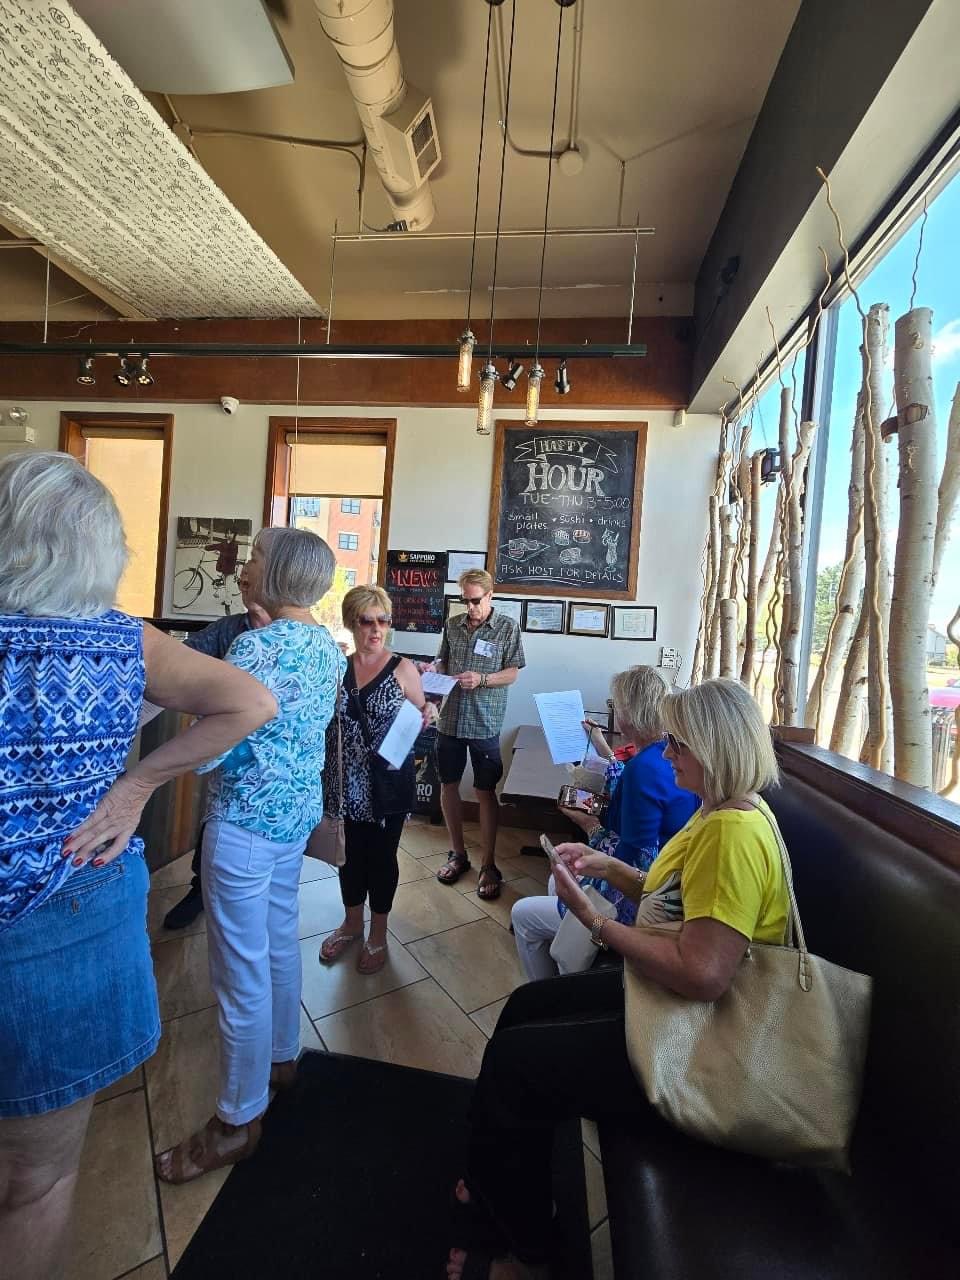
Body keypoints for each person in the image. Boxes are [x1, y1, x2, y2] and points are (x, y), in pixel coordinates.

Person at [0, 451, 277, 1280]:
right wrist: (136, 783)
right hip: (67, 927)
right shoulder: (123, 644)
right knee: (33, 1182)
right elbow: (251, 702)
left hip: (58, 931)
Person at [446, 678, 788, 1280]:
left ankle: (530, 1252)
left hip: (698, 1038)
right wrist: (609, 868)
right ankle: (493, 1172)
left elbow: (705, 976)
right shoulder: (726, 809)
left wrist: (595, 922)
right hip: (672, 999)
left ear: (714, 748)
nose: (668, 751)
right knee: (525, 1008)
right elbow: (675, 898)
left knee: (519, 1063)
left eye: (679, 742)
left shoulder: (731, 836)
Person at [155, 527, 345, 1185]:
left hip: (242, 825)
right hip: (293, 818)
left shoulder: (254, 646)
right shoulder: (329, 646)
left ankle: (237, 1119)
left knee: (239, 974)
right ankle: (283, 1058)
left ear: (281, 570)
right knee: (278, 941)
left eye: (257, 557)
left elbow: (215, 746)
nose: (246, 566)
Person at [511, 666, 699, 981]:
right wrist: (603, 748)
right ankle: (565, 968)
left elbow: (635, 864)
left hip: (639, 900)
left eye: (617, 707)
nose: (616, 714)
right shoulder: (664, 755)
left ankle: (546, 993)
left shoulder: (643, 769)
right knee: (555, 881)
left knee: (523, 914)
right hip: (666, 880)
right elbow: (635, 790)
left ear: (629, 715)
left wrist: (591, 827)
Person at [319, 586, 433, 974]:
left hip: (387, 785)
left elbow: (422, 711)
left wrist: (429, 712)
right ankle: (352, 923)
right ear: (351, 623)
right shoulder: (337, 668)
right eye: (367, 621)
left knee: (382, 859)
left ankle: (378, 933)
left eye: (383, 620)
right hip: (343, 781)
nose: (376, 629)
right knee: (348, 856)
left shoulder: (403, 668)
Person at [163, 567, 272, 929]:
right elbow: (181, 658)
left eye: (250, 582)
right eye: (241, 583)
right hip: (231, 754)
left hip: (274, 759)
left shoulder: (290, 631)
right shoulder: (229, 629)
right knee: (218, 819)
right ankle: (200, 890)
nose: (244, 589)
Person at [426, 570, 525, 902]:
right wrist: (434, 669)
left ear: (490, 595)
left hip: (484, 723)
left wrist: (482, 679)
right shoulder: (452, 625)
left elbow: (512, 673)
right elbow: (442, 662)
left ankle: (488, 864)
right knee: (448, 786)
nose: (469, 607)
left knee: (485, 791)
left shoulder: (508, 627)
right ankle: (458, 854)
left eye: (475, 600)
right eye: (465, 600)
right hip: (450, 720)